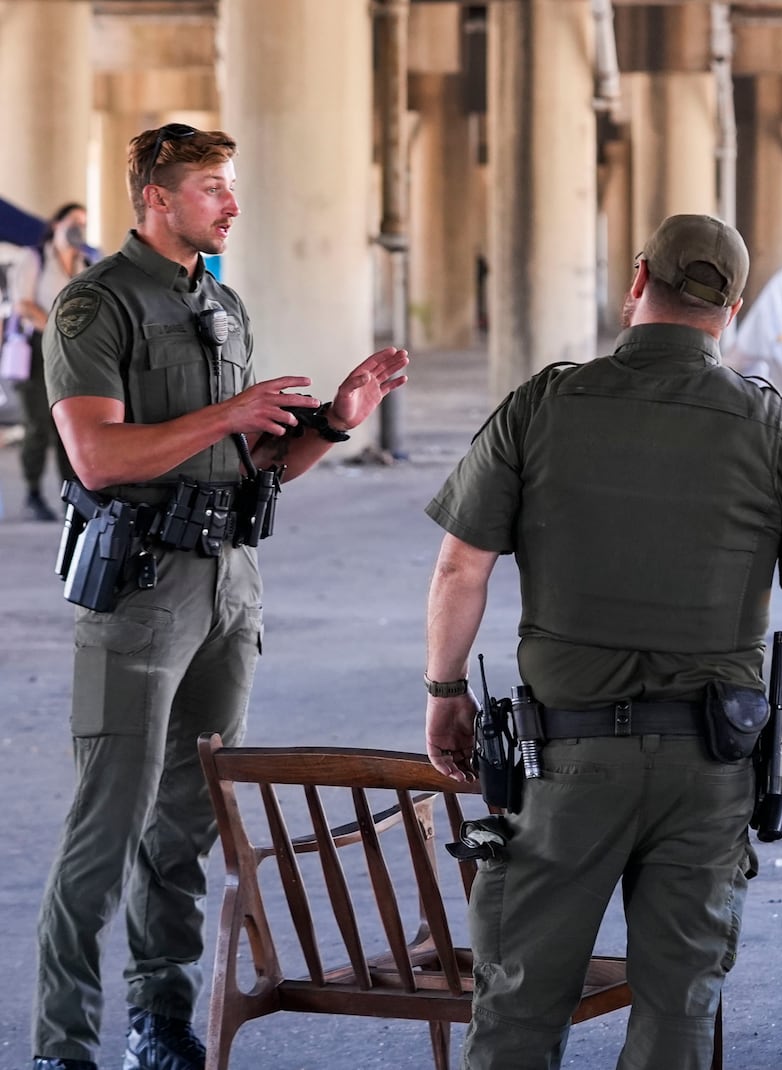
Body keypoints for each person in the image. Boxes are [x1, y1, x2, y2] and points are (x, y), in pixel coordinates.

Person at [422, 213, 782, 1070]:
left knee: (519, 1005)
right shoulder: (775, 431)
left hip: (564, 760)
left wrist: (446, 695)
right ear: (731, 308)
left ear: (638, 279)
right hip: (712, 767)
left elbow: (458, 571)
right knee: (679, 1007)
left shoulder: (543, 405)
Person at [31, 124, 408, 1070]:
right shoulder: (94, 305)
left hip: (229, 589)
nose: (232, 205)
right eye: (212, 189)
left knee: (188, 826)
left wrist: (331, 423)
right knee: (105, 831)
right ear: (156, 198)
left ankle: (162, 1021)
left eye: (231, 187)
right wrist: (228, 413)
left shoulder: (223, 305)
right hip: (142, 595)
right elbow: (97, 456)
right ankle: (61, 1045)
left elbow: (254, 466)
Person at [10, 203, 90, 520]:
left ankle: (71, 494)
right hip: (38, 347)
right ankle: (33, 494)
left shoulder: (84, 261)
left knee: (67, 425)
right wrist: (56, 328)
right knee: (37, 426)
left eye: (83, 223)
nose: (77, 228)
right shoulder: (35, 258)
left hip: (71, 352)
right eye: (73, 222)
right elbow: (24, 304)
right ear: (56, 223)